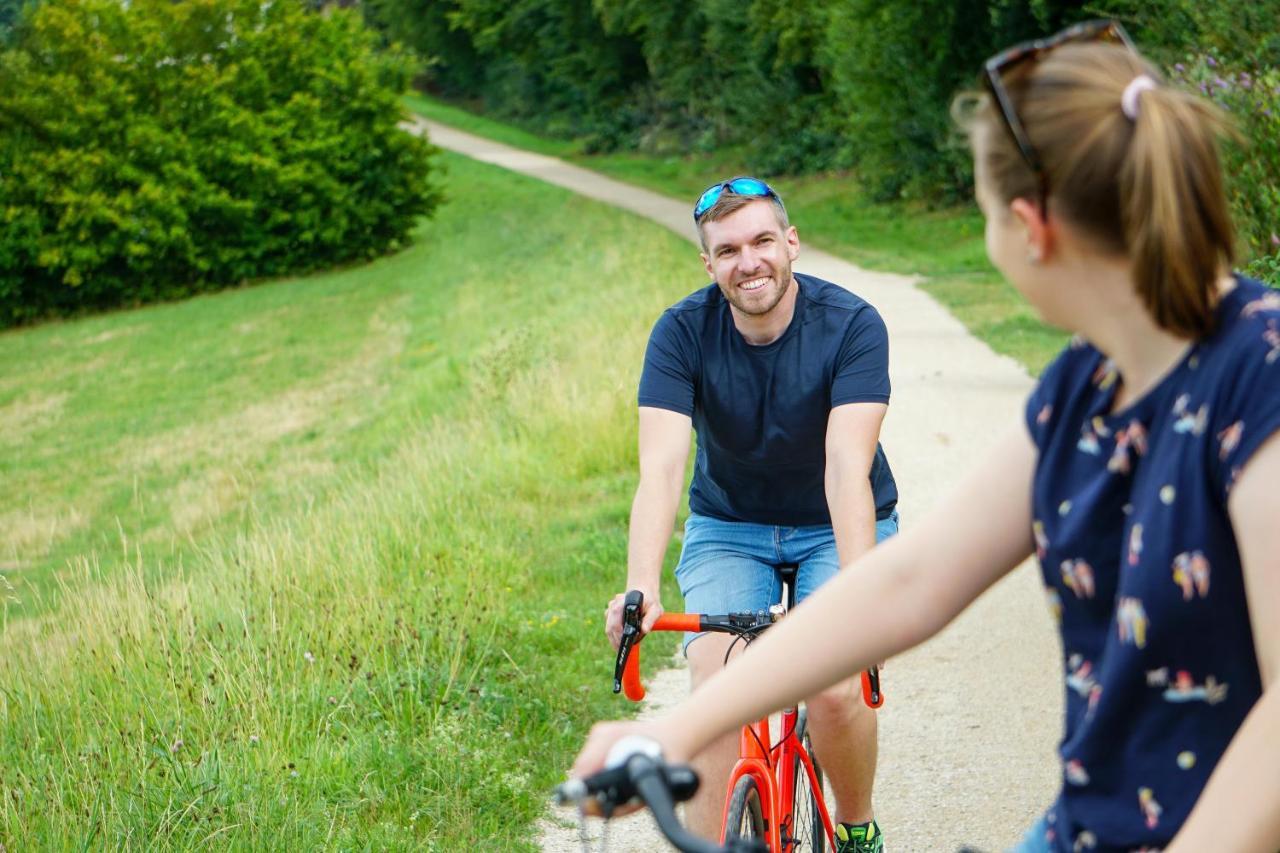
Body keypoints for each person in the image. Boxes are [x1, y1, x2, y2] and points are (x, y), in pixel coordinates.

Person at [578, 20, 1280, 853]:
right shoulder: (1084, 387)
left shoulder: (1258, 375)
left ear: (1030, 228)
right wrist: (676, 730)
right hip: (1093, 824)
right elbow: (909, 580)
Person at [602, 176, 900, 851]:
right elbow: (662, 468)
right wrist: (640, 584)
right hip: (730, 527)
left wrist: (860, 593)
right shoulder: (681, 332)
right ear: (709, 265)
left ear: (791, 243)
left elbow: (846, 467)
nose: (749, 261)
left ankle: (856, 828)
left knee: (828, 686)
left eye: (763, 239)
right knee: (717, 690)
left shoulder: (852, 324)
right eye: (728, 250)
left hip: (834, 523)